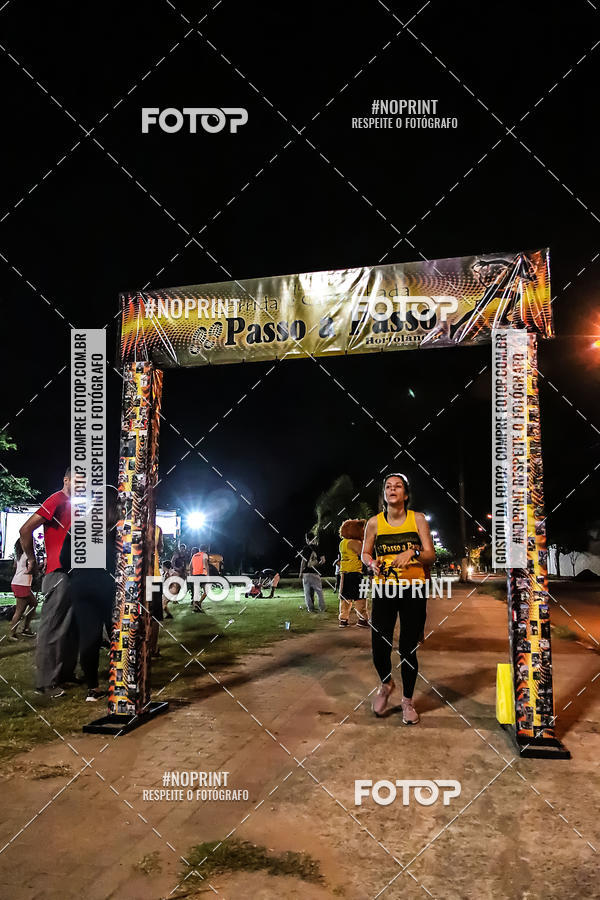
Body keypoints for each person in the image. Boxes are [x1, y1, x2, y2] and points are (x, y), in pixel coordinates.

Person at [361, 473, 435, 724]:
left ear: (405, 494)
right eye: (388, 486)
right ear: (384, 494)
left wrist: (413, 552)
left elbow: (430, 555)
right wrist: (371, 563)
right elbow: (365, 553)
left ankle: (407, 701)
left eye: (398, 486)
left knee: (407, 648)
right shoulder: (374, 523)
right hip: (385, 589)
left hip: (414, 589)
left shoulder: (418, 519)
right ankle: (386, 684)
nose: (392, 489)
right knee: (378, 647)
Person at [20, 468, 77, 697]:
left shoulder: (76, 505)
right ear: (66, 480)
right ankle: (45, 683)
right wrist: (32, 558)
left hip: (73, 574)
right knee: (52, 627)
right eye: (78, 480)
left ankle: (65, 674)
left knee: (71, 627)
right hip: (58, 573)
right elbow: (25, 529)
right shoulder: (57, 499)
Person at [59, 495, 117, 701]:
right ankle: (121, 681)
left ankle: (93, 687)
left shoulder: (79, 526)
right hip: (109, 586)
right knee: (118, 634)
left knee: (89, 636)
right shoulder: (116, 529)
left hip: (81, 586)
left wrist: (77, 573)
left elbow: (64, 559)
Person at [338, 519, 369, 628]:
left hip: (344, 573)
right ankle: (363, 619)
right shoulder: (355, 543)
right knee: (361, 597)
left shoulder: (342, 543)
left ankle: (343, 619)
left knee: (345, 597)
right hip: (356, 573)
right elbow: (364, 553)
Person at [9, 539, 38, 640]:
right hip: (22, 584)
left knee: (34, 603)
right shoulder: (28, 555)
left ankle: (26, 628)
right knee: (19, 611)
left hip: (19, 582)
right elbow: (32, 569)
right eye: (33, 542)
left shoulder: (19, 555)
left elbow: (16, 566)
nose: (34, 544)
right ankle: (11, 634)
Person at [299, 534, 326, 612]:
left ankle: (310, 608)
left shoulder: (305, 548)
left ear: (307, 539)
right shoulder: (318, 547)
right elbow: (323, 560)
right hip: (315, 573)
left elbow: (303, 561)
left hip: (306, 573)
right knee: (319, 592)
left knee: (307, 592)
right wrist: (316, 565)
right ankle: (322, 608)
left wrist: (301, 572)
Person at [189, 544, 210, 611]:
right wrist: (208, 575)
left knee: (196, 592)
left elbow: (190, 566)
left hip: (195, 575)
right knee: (206, 591)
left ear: (200, 549)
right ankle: (199, 603)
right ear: (205, 550)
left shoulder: (194, 555)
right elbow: (206, 564)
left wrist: (191, 575)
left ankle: (196, 606)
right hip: (202, 574)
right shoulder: (204, 555)